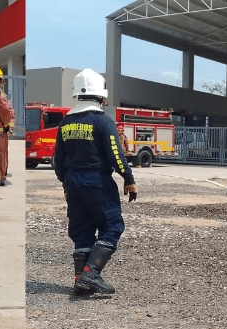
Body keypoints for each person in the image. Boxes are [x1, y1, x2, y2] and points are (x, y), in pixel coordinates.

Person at [53, 68, 136, 295]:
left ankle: (80, 281)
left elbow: (57, 160)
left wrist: (65, 184)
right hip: (97, 181)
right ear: (102, 96)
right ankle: (91, 274)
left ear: (77, 95)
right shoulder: (103, 121)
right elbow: (116, 155)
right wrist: (128, 178)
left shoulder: (65, 123)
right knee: (113, 226)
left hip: (72, 181)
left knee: (82, 229)